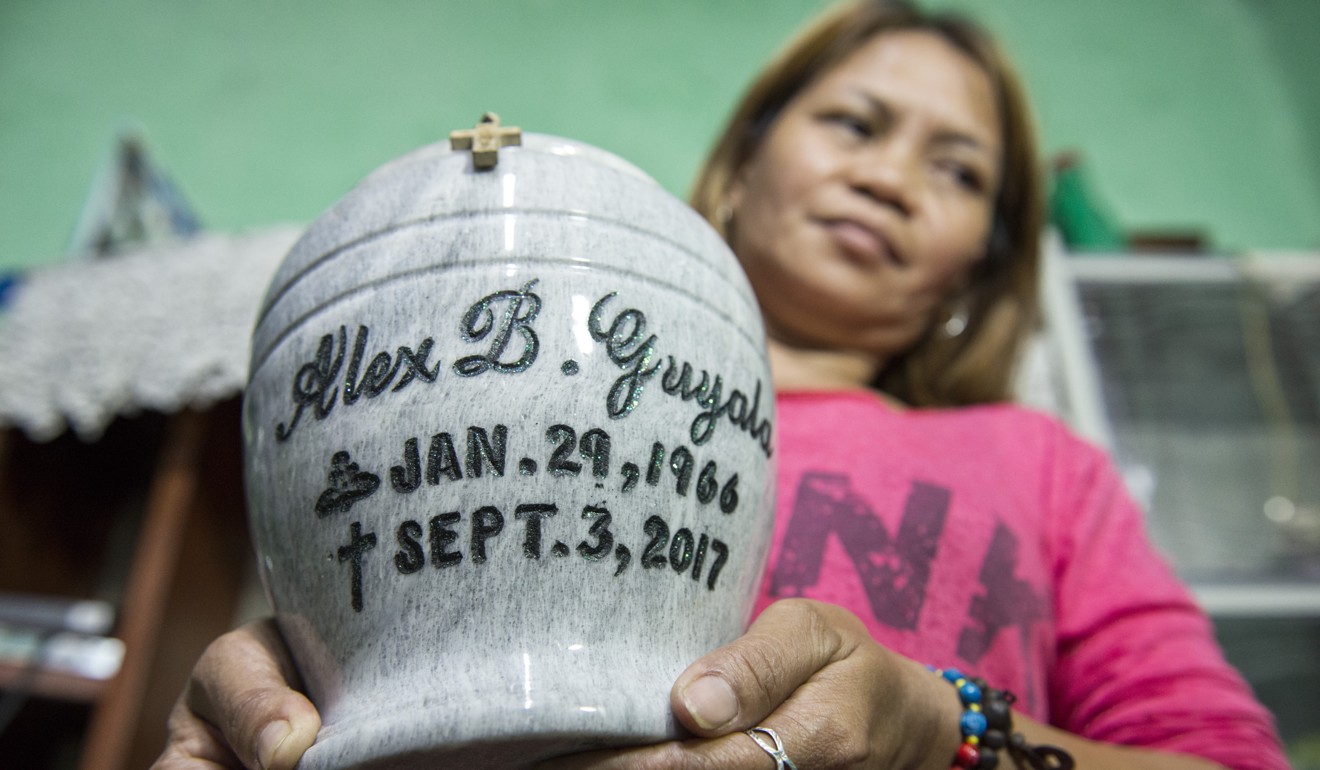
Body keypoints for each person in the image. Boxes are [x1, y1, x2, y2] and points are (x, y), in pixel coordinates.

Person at [153, 2, 1289, 769]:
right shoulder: (520, 367)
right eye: (855, 122)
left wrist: (947, 727)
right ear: (742, 167)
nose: (891, 178)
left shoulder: (1043, 463)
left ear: (977, 268)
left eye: (958, 172)